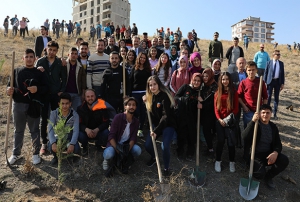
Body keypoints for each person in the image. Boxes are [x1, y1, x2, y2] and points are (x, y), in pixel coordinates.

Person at [6, 48, 48, 165]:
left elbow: (45, 88)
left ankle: (35, 154)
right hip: (18, 104)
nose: (29, 59)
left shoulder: (39, 73)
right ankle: (15, 154)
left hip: (33, 106)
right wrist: (8, 90)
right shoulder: (16, 71)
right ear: (23, 58)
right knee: (18, 130)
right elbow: (9, 86)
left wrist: (37, 89)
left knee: (34, 130)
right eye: (27, 57)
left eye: (31, 57)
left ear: (35, 59)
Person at [242, 104, 289, 188]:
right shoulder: (255, 125)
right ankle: (255, 167)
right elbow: (244, 137)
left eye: (268, 113)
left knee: (284, 160)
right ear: (259, 114)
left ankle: (269, 176)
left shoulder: (273, 127)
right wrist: (252, 122)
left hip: (268, 154)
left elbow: (278, 143)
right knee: (259, 175)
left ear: (271, 114)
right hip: (255, 155)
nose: (265, 115)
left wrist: (275, 152)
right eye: (263, 112)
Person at [36, 41, 67, 155]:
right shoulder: (40, 61)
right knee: (44, 119)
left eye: (54, 50)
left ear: (57, 51)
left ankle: (56, 141)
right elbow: (35, 77)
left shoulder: (59, 62)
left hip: (55, 95)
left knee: (57, 119)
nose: (52, 52)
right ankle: (44, 143)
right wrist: (37, 70)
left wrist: (61, 91)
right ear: (46, 49)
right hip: (43, 94)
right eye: (50, 50)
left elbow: (64, 78)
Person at [143, 76, 176, 176]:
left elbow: (165, 116)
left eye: (154, 84)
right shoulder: (150, 97)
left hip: (167, 125)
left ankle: (166, 168)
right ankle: (154, 157)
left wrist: (156, 131)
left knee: (164, 146)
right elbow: (151, 115)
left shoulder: (165, 96)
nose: (152, 87)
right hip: (156, 125)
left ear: (158, 84)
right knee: (148, 145)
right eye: (150, 85)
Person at [102, 97, 141, 173]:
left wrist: (126, 151)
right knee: (108, 154)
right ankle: (106, 160)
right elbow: (111, 136)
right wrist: (117, 149)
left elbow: (133, 138)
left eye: (133, 105)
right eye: (129, 105)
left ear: (136, 107)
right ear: (125, 106)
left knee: (137, 150)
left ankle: (127, 158)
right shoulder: (118, 117)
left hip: (126, 145)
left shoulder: (136, 121)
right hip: (115, 143)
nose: (131, 107)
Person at [214, 72, 239, 172]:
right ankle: (218, 161)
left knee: (231, 143)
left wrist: (227, 120)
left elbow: (236, 109)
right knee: (220, 141)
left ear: (230, 80)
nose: (225, 81)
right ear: (221, 81)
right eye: (223, 79)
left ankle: (232, 162)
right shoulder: (217, 93)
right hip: (220, 121)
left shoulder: (234, 92)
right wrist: (220, 119)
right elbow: (216, 109)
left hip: (230, 122)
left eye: (227, 79)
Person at [175, 73, 202, 160]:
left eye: (198, 81)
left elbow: (203, 104)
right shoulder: (185, 87)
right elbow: (176, 97)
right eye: (195, 80)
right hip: (182, 115)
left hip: (193, 117)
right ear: (192, 80)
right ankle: (180, 151)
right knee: (181, 134)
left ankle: (190, 152)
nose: (196, 82)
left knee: (191, 134)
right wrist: (183, 100)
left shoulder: (199, 92)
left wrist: (201, 103)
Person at [47, 93, 80, 165]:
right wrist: (53, 142)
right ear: (59, 104)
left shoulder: (75, 115)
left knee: (76, 148)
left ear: (70, 104)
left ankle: (71, 157)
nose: (64, 106)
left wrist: (72, 144)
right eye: (62, 103)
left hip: (69, 137)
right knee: (50, 145)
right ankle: (56, 157)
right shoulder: (54, 113)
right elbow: (50, 128)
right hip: (58, 136)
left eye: (67, 103)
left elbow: (76, 131)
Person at [77, 89, 110, 154]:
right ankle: (85, 146)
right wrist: (86, 129)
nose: (90, 98)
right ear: (85, 98)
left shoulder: (102, 107)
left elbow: (106, 123)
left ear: (95, 96)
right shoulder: (80, 109)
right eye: (88, 97)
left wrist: (97, 129)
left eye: (92, 96)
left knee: (106, 132)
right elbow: (78, 124)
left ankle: (98, 145)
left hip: (98, 131)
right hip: (86, 132)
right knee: (78, 134)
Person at [237, 61, 268, 129]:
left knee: (259, 130)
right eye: (249, 70)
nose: (251, 72)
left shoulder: (260, 82)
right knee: (248, 130)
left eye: (253, 70)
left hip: (258, 110)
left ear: (256, 70)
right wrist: (244, 106)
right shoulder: (243, 83)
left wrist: (263, 109)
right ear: (246, 71)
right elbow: (239, 96)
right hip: (248, 111)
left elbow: (265, 97)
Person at [129, 52, 152, 137]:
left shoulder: (147, 70)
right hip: (134, 93)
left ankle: (140, 129)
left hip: (144, 93)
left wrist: (148, 94)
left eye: (144, 58)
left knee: (143, 112)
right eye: (141, 57)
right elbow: (130, 81)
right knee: (136, 111)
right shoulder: (134, 68)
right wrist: (129, 94)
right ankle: (134, 127)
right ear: (138, 58)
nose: (142, 59)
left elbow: (149, 83)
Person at [200, 68, 218, 156]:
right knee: (206, 130)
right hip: (205, 112)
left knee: (209, 130)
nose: (205, 78)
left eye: (207, 76)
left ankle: (211, 149)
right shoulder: (203, 85)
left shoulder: (215, 86)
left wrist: (203, 103)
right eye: (203, 76)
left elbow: (213, 102)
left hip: (212, 112)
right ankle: (210, 147)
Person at [263, 50, 285, 120]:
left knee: (276, 98)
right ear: (273, 55)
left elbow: (282, 74)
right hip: (270, 82)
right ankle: (267, 112)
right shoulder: (269, 62)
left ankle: (275, 113)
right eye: (277, 54)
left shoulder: (281, 63)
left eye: (279, 54)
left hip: (277, 82)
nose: (279, 56)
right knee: (268, 97)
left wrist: (282, 83)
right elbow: (265, 73)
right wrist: (264, 82)